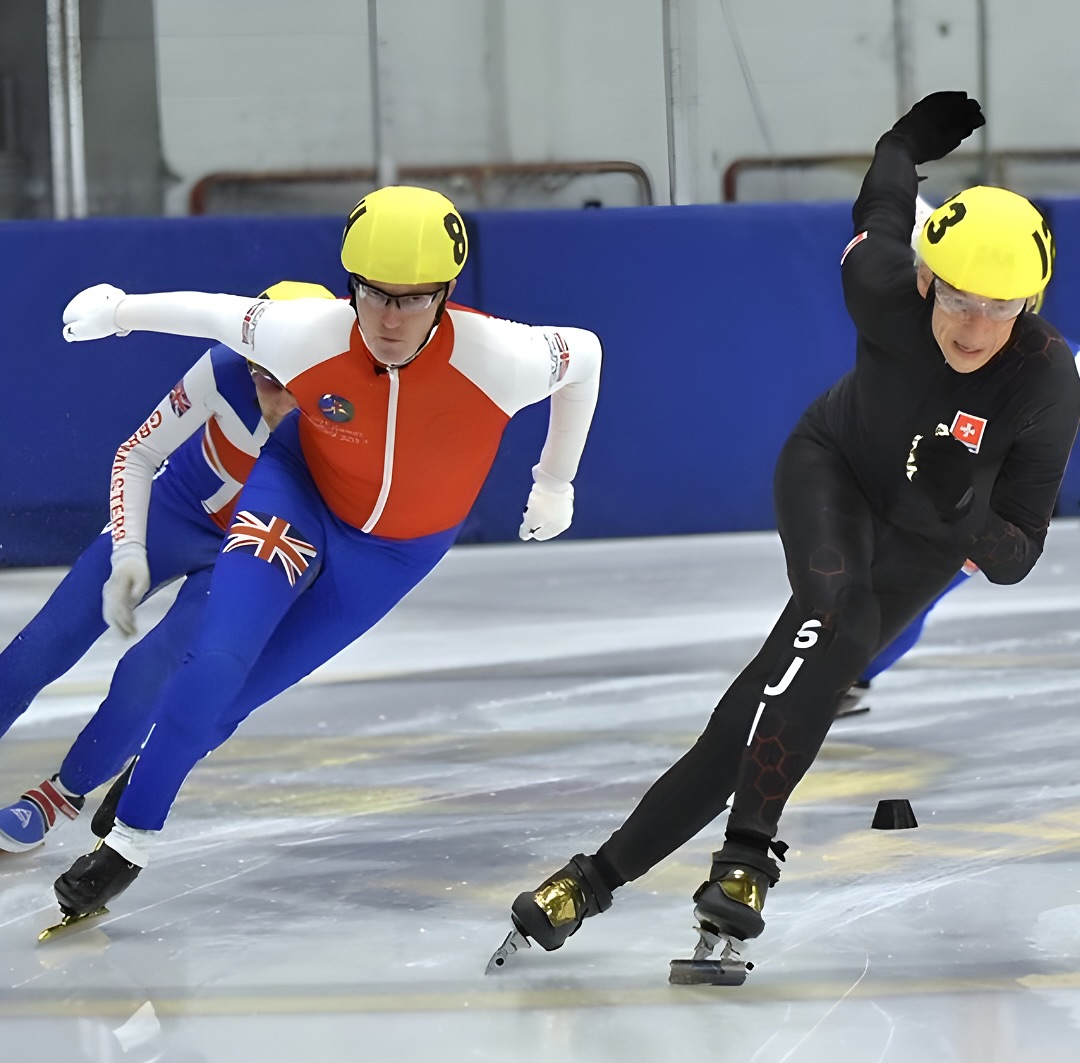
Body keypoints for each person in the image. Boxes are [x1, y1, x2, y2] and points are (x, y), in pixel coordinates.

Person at [488, 92, 1080, 985]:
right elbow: (883, 206)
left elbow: (1017, 555)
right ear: (926, 280)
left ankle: (594, 879)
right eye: (959, 297)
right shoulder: (881, 287)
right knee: (838, 620)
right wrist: (902, 142)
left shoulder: (1045, 380)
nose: (974, 327)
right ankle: (745, 860)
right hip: (832, 469)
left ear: (1029, 304)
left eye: (1001, 308)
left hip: (928, 536)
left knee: (777, 690)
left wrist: (960, 506)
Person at [52, 185, 602, 921]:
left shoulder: (503, 357)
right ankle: (128, 845)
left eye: (413, 299)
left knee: (234, 701)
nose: (390, 318)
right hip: (297, 495)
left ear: (445, 294)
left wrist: (554, 482)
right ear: (351, 285)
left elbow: (586, 356)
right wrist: (119, 311)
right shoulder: (304, 332)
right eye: (374, 294)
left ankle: (154, 767)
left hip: (394, 554)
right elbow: (210, 313)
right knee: (214, 662)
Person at [0, 282, 331, 852]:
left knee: (150, 674)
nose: (275, 398)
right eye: (262, 377)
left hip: (249, 546)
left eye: (292, 383)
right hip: (177, 509)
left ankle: (58, 797)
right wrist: (129, 549)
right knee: (45, 641)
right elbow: (138, 453)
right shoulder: (224, 369)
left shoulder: (350, 409)